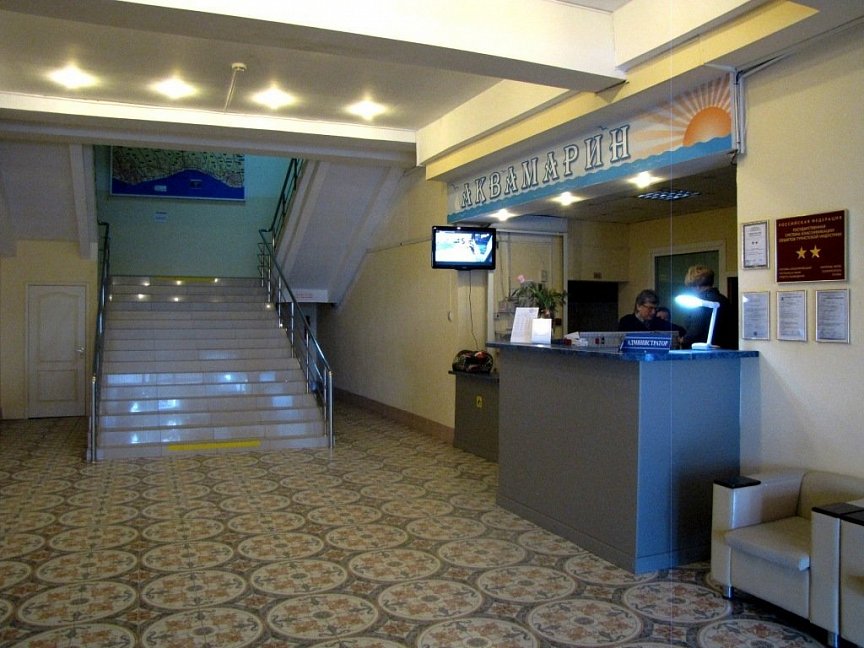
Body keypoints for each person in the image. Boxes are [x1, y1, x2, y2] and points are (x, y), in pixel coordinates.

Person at [679, 265, 737, 349]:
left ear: (697, 286)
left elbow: (696, 329)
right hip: (726, 348)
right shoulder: (723, 300)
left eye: (691, 287)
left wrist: (683, 340)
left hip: (703, 350)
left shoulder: (700, 302)